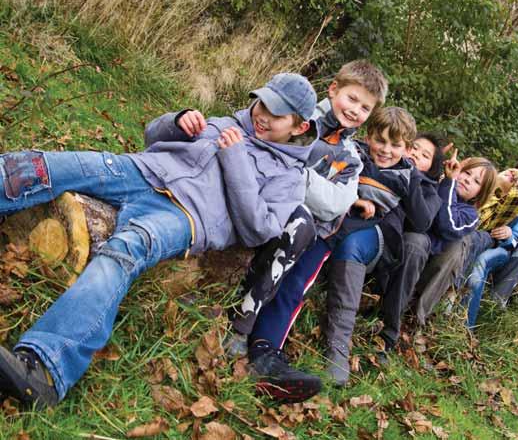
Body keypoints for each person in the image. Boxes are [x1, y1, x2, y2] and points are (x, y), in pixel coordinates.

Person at [0, 72, 319, 409]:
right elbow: (152, 136)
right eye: (262, 103)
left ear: (299, 127)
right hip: (141, 171)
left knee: (123, 253)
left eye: (276, 114)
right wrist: (177, 122)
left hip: (184, 216)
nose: (262, 115)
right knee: (39, 166)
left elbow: (259, 229)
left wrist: (236, 158)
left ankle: (44, 370)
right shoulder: (227, 122)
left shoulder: (290, 177)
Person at [224, 60, 388, 403]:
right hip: (266, 202)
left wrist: (293, 170)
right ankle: (238, 318)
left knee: (295, 282)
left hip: (316, 228)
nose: (355, 110)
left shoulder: (351, 157)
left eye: (365, 107)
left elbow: (334, 204)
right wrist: (297, 175)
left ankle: (266, 351)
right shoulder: (296, 115)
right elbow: (262, 141)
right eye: (352, 98)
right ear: (333, 90)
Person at [320, 108, 441, 386]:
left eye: (395, 145)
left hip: (377, 236)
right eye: (381, 141)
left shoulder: (409, 175)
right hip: (338, 220)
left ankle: (337, 347)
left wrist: (411, 175)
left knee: (351, 246)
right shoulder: (355, 154)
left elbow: (422, 221)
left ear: (406, 148)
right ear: (369, 135)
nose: (386, 150)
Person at [375, 145, 496, 353]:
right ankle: (385, 314)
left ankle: (406, 324)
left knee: (446, 246)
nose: (467, 180)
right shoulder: (435, 184)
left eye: (476, 182)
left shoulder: (469, 214)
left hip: (427, 272)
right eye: (467, 172)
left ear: (480, 194)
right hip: (401, 255)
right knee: (416, 241)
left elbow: (445, 224)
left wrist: (449, 183)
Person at [413, 162, 518, 326]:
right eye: (512, 172)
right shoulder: (478, 180)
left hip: (485, 235)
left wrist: (512, 177)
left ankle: (443, 300)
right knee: (456, 242)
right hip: (459, 226)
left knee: (466, 241)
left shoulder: (510, 201)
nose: (513, 176)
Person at [462, 160, 518, 329]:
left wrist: (508, 235)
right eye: (517, 174)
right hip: (482, 238)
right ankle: (454, 314)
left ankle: (467, 325)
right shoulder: (496, 190)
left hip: (502, 250)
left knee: (482, 261)